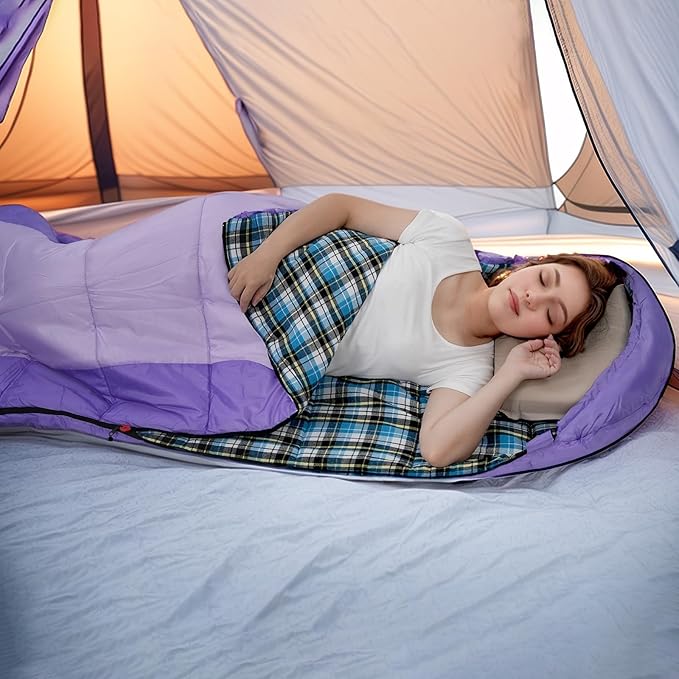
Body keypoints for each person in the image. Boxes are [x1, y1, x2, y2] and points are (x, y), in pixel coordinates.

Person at [227, 194, 618, 467]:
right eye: (544, 279)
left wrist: (512, 373)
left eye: (550, 314)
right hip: (251, 265)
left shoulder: (468, 367)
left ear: (545, 337)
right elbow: (340, 207)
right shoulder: (447, 238)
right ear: (528, 266)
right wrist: (266, 255)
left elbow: (438, 449)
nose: (533, 297)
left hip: (252, 343)